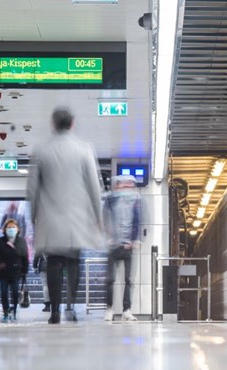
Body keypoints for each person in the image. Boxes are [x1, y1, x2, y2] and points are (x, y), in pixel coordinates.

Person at [27, 107, 103, 324]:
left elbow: (32, 189)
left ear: (53, 124)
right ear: (72, 124)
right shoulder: (84, 149)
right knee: (73, 261)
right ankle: (71, 306)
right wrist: (98, 216)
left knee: (53, 263)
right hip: (76, 219)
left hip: (50, 218)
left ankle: (54, 312)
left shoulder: (41, 150)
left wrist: (33, 217)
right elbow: (94, 186)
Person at [103, 175, 141, 322]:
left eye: (130, 184)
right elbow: (105, 218)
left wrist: (134, 240)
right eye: (124, 184)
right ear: (117, 185)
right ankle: (109, 309)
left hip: (128, 246)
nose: (127, 187)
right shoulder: (111, 199)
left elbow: (137, 220)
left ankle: (126, 310)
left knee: (128, 280)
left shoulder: (135, 200)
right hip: (113, 246)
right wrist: (109, 238)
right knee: (110, 279)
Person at [0, 219, 29, 323]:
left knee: (15, 292)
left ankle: (14, 310)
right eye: (9, 227)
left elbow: (25, 256)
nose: (11, 229)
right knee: (3, 292)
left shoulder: (21, 241)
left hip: (16, 272)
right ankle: (6, 312)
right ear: (5, 229)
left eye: (13, 227)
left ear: (17, 229)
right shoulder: (0, 241)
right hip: (3, 271)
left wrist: (25, 270)